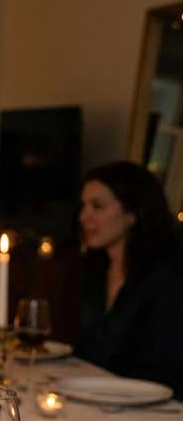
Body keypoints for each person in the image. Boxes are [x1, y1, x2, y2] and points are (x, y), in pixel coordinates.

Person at [74, 161, 183, 395]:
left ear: (132, 213)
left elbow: (163, 367)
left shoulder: (166, 278)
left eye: (97, 207)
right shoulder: (94, 272)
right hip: (100, 401)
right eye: (83, 206)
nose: (84, 217)